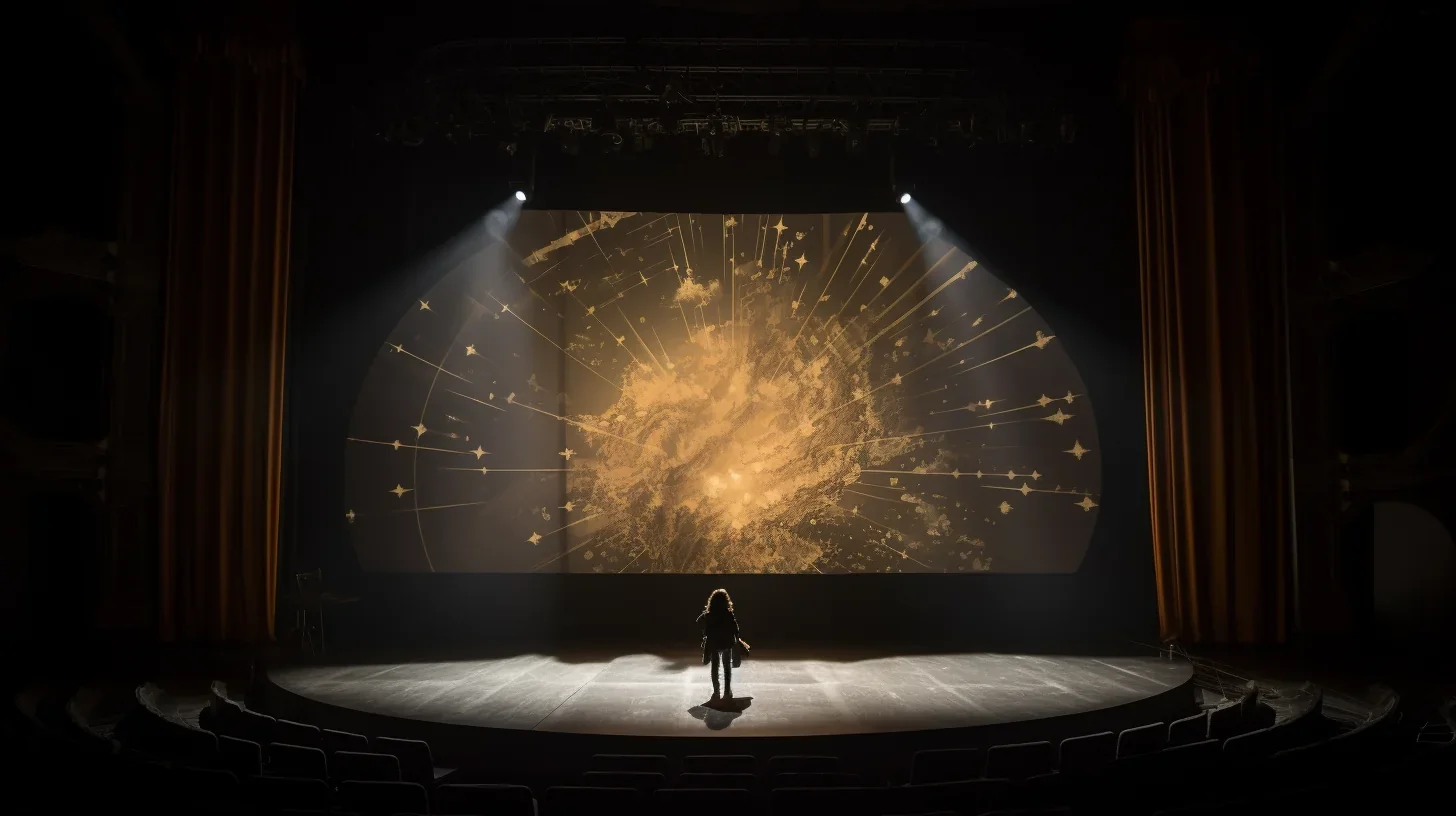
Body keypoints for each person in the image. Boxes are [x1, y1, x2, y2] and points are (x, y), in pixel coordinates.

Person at [697, 588, 741, 703]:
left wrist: (706, 631)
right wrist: (737, 640)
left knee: (715, 668)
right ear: (726, 601)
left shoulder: (709, 615)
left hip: (714, 643)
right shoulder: (728, 614)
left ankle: (716, 692)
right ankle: (727, 693)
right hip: (727, 642)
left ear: (712, 601)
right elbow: (735, 628)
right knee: (727, 668)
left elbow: (699, 621)